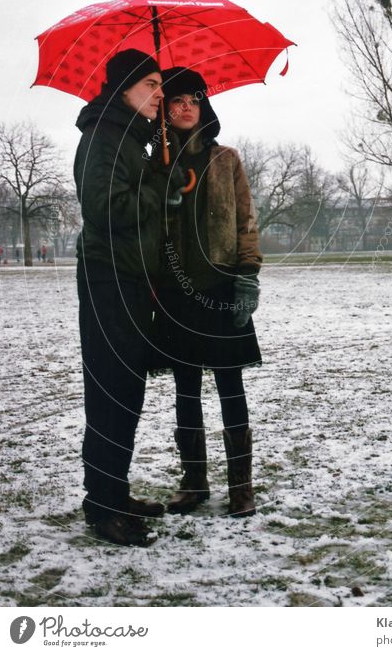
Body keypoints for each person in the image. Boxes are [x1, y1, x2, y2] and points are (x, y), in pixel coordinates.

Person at [74, 48, 184, 546]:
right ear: (123, 90)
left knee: (128, 390)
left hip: (132, 279)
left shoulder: (131, 140)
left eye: (161, 86)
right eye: (151, 86)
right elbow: (104, 208)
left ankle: (112, 491)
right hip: (108, 278)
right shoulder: (103, 137)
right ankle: (102, 507)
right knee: (111, 390)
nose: (161, 95)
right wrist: (158, 188)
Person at [152, 67, 261, 518]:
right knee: (185, 390)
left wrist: (248, 275)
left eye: (193, 100)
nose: (185, 107)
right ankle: (194, 480)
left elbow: (245, 221)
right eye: (175, 100)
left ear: (204, 107)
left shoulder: (226, 160)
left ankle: (241, 486)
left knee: (230, 387)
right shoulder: (155, 165)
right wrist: (164, 203)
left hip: (220, 287)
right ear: (164, 111)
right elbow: (144, 231)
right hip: (175, 294)